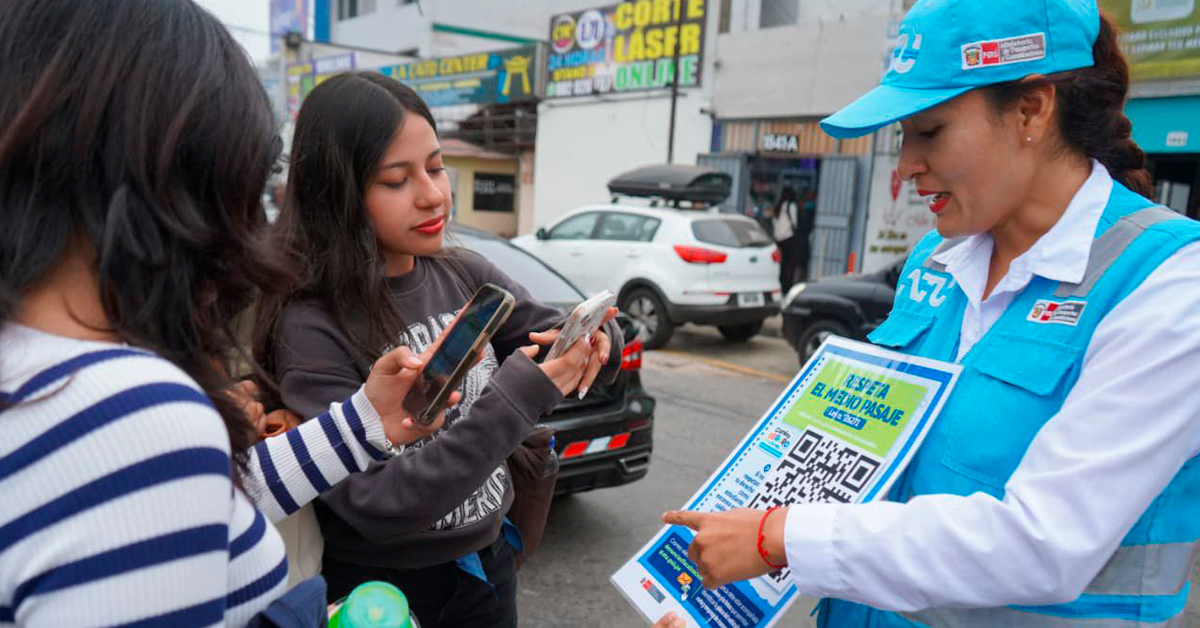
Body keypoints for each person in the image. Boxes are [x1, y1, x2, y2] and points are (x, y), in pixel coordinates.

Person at [663, 1, 1200, 627]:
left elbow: (1043, 543)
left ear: (1030, 110)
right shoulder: (936, 260)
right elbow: (862, 473)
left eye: (930, 131)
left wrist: (778, 537)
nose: (906, 166)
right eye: (903, 136)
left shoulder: (1167, 285)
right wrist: (720, 605)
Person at [252, 71, 623, 628]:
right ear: (338, 193)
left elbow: (551, 327)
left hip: (488, 565)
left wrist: (596, 336)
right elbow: (375, 503)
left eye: (436, 166)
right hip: (380, 593)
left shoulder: (463, 270)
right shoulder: (310, 322)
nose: (432, 194)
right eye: (396, 180)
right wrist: (518, 396)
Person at [771, 186, 801, 292]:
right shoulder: (791, 206)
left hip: (778, 239)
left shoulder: (778, 206)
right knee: (790, 264)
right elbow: (795, 223)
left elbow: (774, 222)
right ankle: (787, 286)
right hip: (788, 238)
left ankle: (779, 284)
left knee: (781, 264)